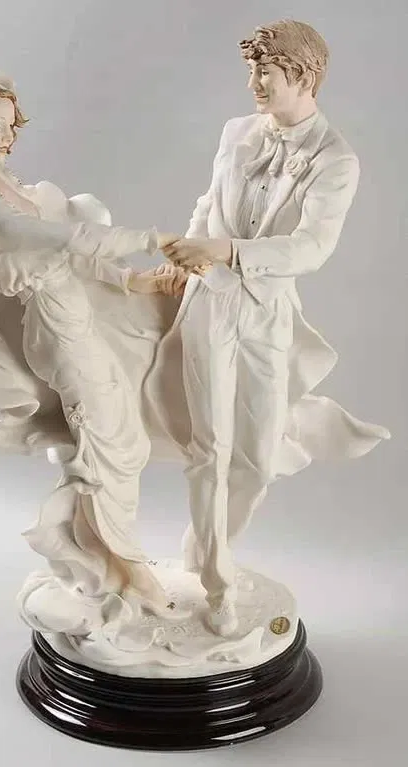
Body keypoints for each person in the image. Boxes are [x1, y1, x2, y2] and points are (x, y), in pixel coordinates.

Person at [0, 62, 186, 635]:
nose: (9, 136)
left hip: (81, 312)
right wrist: (152, 239)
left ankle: (106, 562)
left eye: (12, 124)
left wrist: (135, 281)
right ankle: (128, 574)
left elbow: (74, 258)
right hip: (57, 327)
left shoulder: (6, 187)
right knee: (108, 443)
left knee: (120, 441)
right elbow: (66, 239)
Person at [161, 20, 390, 634]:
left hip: (266, 311)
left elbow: (312, 247)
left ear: (304, 76)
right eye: (252, 71)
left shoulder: (336, 159)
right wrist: (186, 257)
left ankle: (201, 549)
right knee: (210, 446)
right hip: (210, 301)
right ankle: (216, 581)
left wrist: (228, 250)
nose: (254, 84)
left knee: (257, 458)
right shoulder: (236, 132)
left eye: (265, 72)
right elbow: (209, 202)